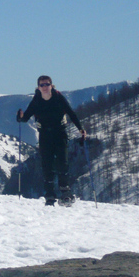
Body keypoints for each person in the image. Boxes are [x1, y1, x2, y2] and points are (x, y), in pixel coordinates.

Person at [17, 75, 86, 206]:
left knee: (62, 162)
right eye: (42, 85)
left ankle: (64, 192)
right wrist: (20, 117)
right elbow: (25, 117)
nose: (44, 87)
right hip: (44, 135)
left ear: (51, 85)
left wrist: (81, 129)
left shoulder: (59, 98)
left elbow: (72, 113)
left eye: (46, 84)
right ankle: (50, 195)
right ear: (38, 87)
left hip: (60, 133)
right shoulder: (36, 100)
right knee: (47, 165)